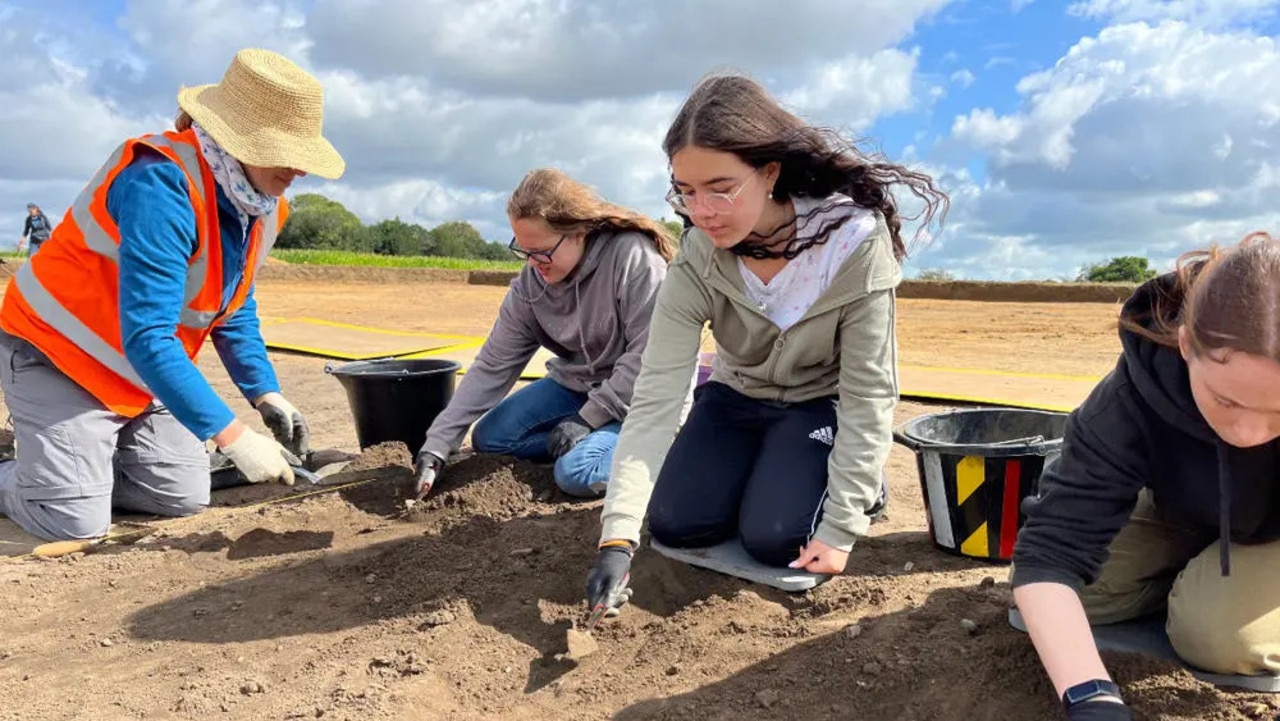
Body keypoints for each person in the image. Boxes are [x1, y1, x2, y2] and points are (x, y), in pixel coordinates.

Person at [583, 73, 948, 611]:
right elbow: (658, 394)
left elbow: (871, 395)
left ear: (769, 172)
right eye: (685, 192)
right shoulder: (698, 257)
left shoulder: (854, 244)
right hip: (736, 398)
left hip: (816, 406)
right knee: (675, 524)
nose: (701, 211)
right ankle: (770, 472)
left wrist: (842, 527)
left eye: (720, 188)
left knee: (777, 539)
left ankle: (858, 487)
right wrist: (617, 537)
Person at [0, 48, 345, 541]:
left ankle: (78, 469)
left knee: (179, 496)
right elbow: (148, 336)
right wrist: (231, 435)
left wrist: (265, 393)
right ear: (237, 138)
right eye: (287, 153)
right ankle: (36, 481)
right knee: (73, 522)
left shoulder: (263, 206)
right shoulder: (160, 183)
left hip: (135, 372)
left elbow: (233, 305)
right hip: (56, 355)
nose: (299, 171)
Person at [1010, 234, 1280, 720]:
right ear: (1184, 346)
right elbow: (1050, 552)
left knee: (1217, 637)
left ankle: (1217, 595)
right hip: (1182, 509)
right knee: (1070, 599)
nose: (1249, 433)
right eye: (1226, 400)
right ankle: (1195, 573)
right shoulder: (1132, 394)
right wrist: (1091, 696)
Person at [411, 168, 675, 499]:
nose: (534, 264)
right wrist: (437, 445)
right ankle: (601, 442)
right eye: (524, 252)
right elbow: (493, 364)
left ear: (579, 232)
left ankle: (659, 448)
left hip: (643, 396)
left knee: (577, 473)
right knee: (492, 439)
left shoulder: (632, 258)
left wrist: (587, 419)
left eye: (543, 252)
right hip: (579, 388)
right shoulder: (531, 285)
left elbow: (650, 357)